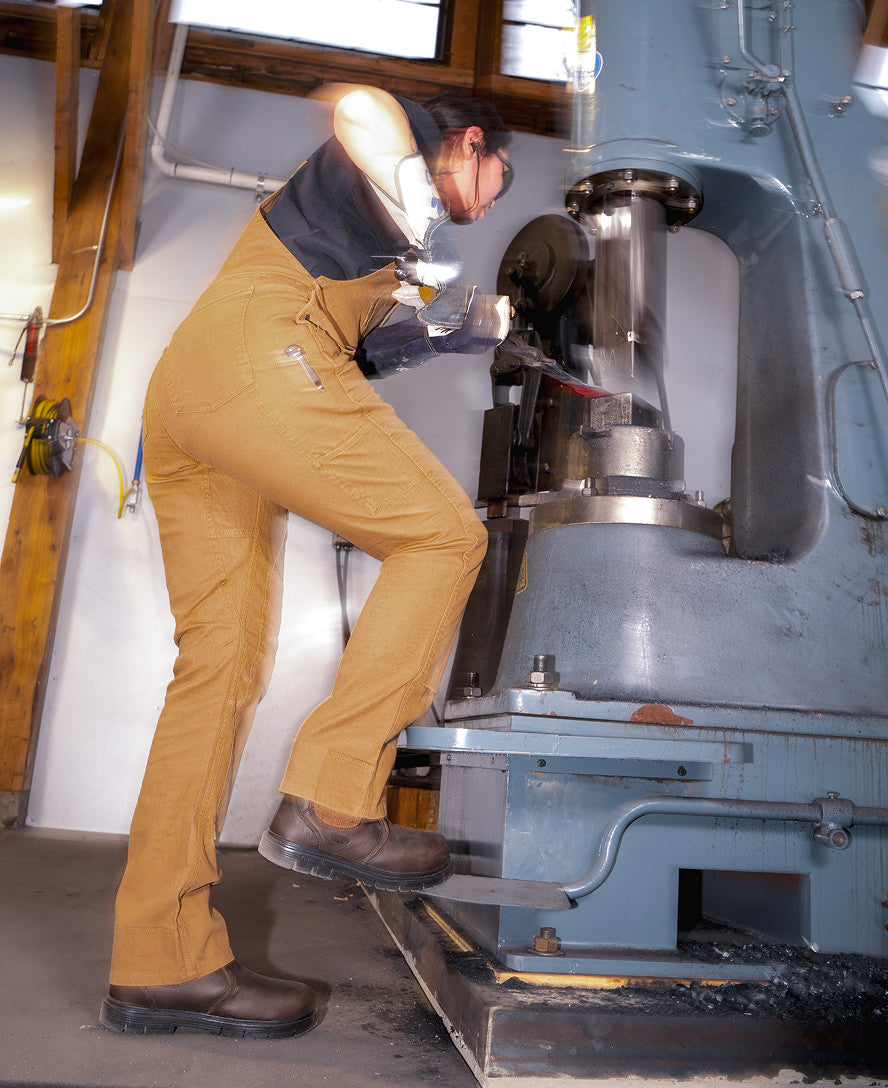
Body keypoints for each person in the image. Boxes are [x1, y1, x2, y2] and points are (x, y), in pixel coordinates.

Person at [99, 85, 512, 1039]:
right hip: (259, 364)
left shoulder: (380, 235)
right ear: (471, 145)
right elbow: (363, 105)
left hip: (194, 393)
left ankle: (159, 961)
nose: (492, 198)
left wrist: (460, 326)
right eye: (499, 175)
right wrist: (424, 219)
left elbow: (365, 336)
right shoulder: (395, 154)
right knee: (445, 537)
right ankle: (334, 798)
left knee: (218, 673)